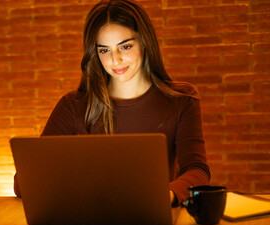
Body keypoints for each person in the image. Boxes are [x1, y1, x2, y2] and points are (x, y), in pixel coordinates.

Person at [14, 0, 210, 205]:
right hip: (88, 223)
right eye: (104, 50)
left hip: (154, 220)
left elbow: (197, 170)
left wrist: (164, 196)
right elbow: (23, 183)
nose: (115, 60)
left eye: (125, 46)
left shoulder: (182, 99)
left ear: (144, 41)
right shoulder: (73, 105)